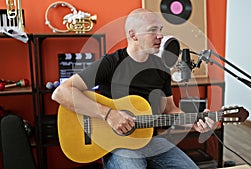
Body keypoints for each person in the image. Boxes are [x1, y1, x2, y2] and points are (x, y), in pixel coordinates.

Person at [52, 8, 217, 169]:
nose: (160, 35)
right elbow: (61, 92)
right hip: (118, 146)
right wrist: (109, 114)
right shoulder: (111, 62)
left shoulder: (162, 67)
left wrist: (194, 120)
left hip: (152, 141)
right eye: (153, 30)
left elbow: (169, 109)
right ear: (133, 35)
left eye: (160, 29)